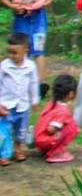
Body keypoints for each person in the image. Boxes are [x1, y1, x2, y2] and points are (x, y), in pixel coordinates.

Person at [0, 32, 39, 164]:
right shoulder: (4, 66)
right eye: (9, 52)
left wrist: (34, 100)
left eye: (15, 53)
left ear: (25, 50)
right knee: (4, 131)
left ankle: (18, 149)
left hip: (23, 106)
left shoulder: (30, 66)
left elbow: (33, 83)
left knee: (20, 131)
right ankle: (4, 154)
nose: (11, 56)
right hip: (6, 105)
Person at [33, 73, 77, 163]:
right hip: (45, 141)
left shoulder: (52, 103)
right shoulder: (62, 110)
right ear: (71, 93)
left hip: (39, 138)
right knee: (72, 127)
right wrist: (60, 128)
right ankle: (55, 153)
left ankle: (48, 149)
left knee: (68, 124)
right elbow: (50, 129)